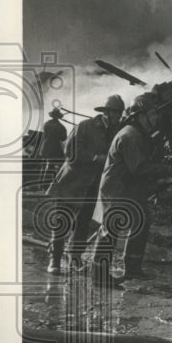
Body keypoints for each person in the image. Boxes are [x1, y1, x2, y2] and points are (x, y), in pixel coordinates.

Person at [90, 93, 172, 283]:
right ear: (140, 115)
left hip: (128, 187)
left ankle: (133, 268)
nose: (155, 118)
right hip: (117, 188)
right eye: (152, 114)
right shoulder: (131, 135)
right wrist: (168, 170)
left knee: (142, 221)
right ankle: (99, 275)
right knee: (110, 229)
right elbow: (139, 168)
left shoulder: (138, 134)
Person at [44, 95, 125, 274]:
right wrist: (96, 158)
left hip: (93, 185)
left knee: (83, 223)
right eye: (115, 112)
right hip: (72, 182)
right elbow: (71, 152)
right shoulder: (85, 127)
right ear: (106, 112)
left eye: (120, 113)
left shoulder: (116, 131)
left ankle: (75, 258)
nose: (118, 116)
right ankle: (55, 260)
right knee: (61, 221)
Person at [37, 108, 68, 187]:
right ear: (58, 116)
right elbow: (63, 138)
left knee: (44, 165)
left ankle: (40, 184)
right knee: (51, 165)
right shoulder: (61, 126)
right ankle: (46, 185)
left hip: (45, 147)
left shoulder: (46, 124)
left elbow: (45, 135)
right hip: (54, 148)